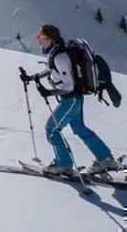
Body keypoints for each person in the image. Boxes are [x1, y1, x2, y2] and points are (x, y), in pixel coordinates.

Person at [21, 24, 118, 175]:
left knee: (51, 130)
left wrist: (49, 92)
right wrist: (33, 77)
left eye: (39, 36)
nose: (37, 39)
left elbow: (69, 86)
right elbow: (51, 69)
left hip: (70, 100)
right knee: (80, 129)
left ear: (49, 39)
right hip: (75, 99)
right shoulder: (56, 52)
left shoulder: (60, 56)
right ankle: (106, 158)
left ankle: (63, 164)